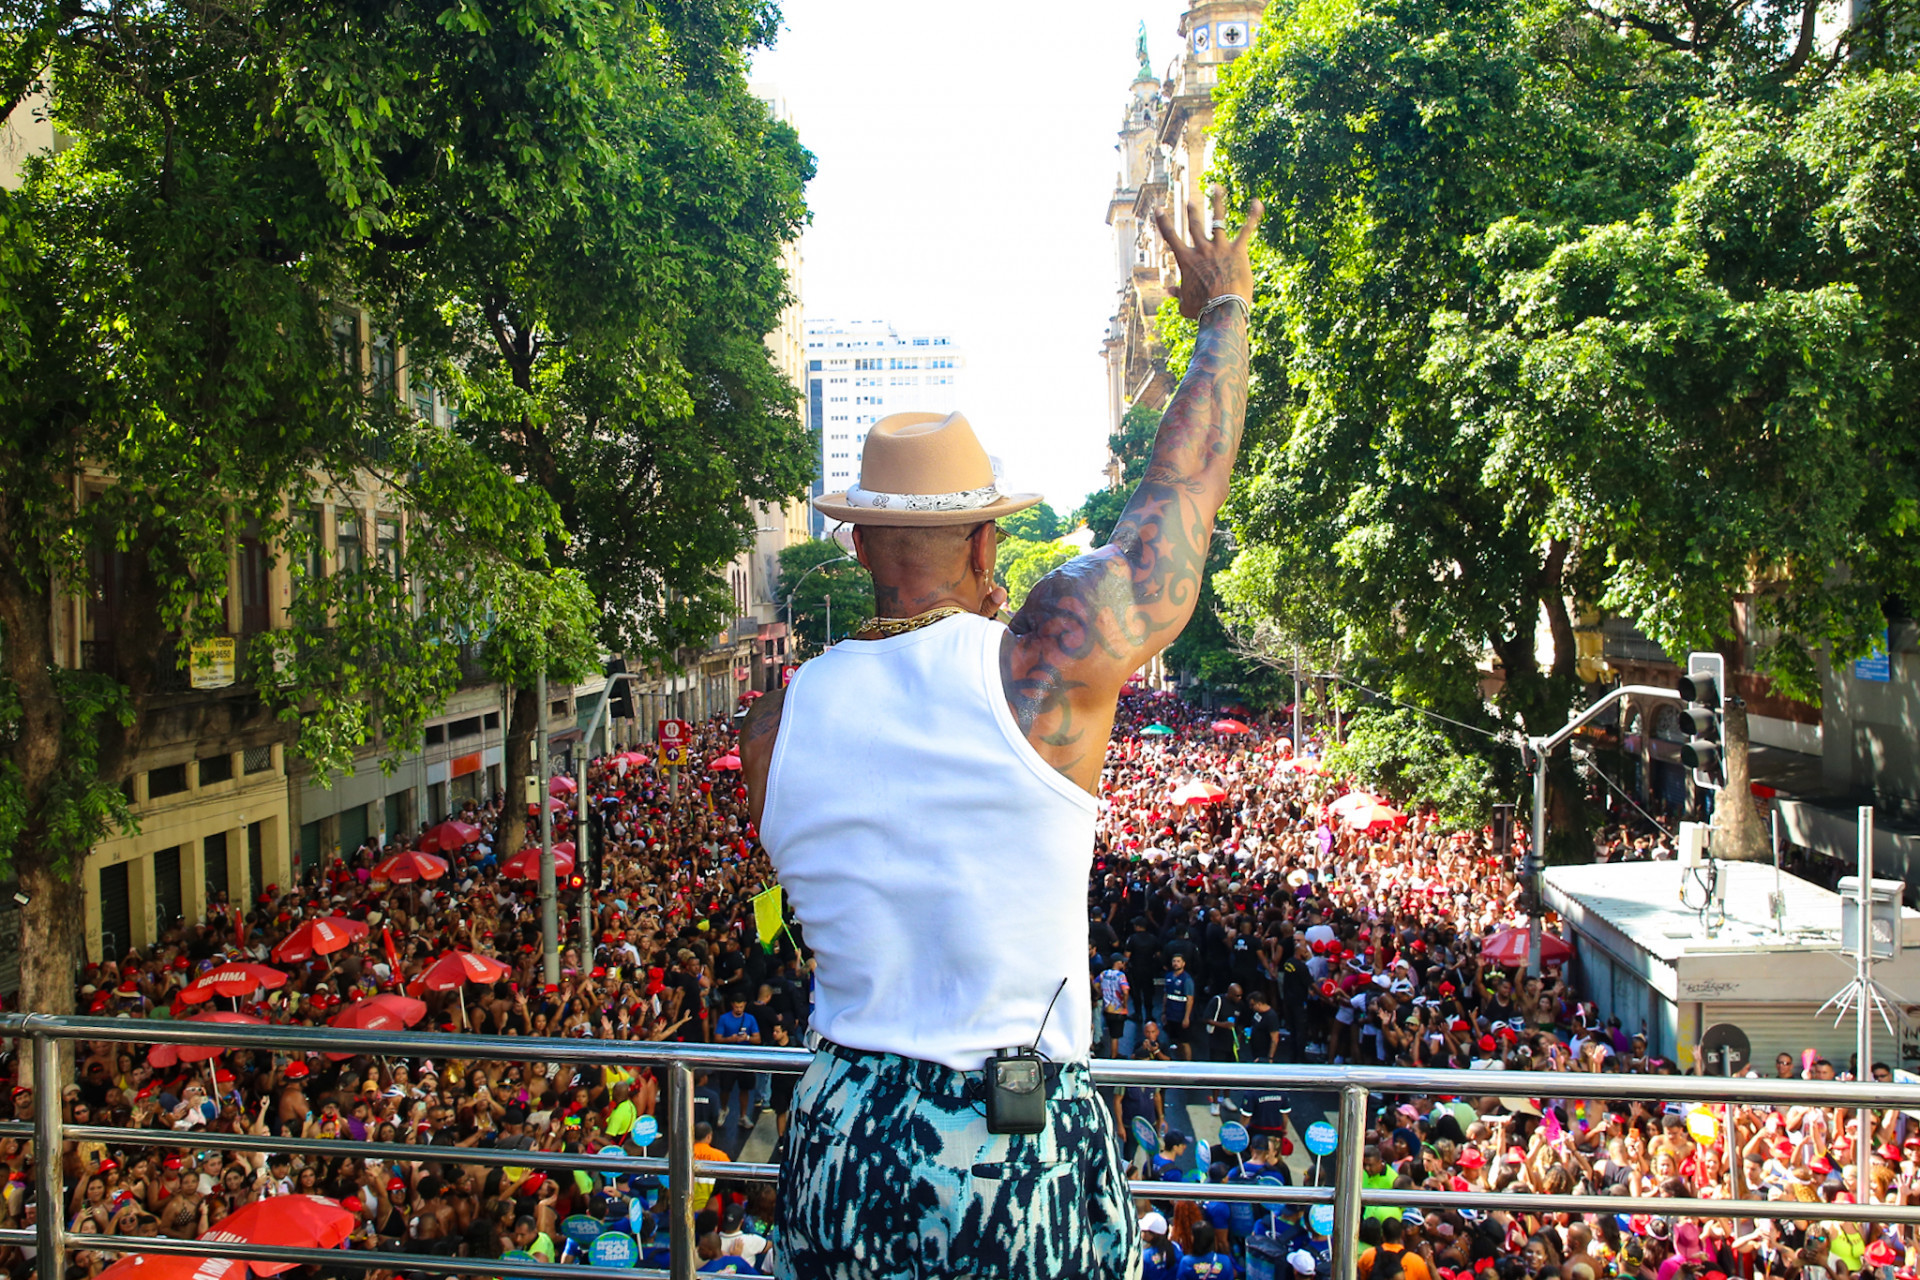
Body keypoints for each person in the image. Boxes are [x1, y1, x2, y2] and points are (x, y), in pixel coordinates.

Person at [741, 190, 1261, 1280]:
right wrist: (1224, 315)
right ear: (986, 539)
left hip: (839, 1136)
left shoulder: (772, 721)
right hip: (1011, 1145)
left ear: (860, 544)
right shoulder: (1037, 662)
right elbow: (1170, 528)